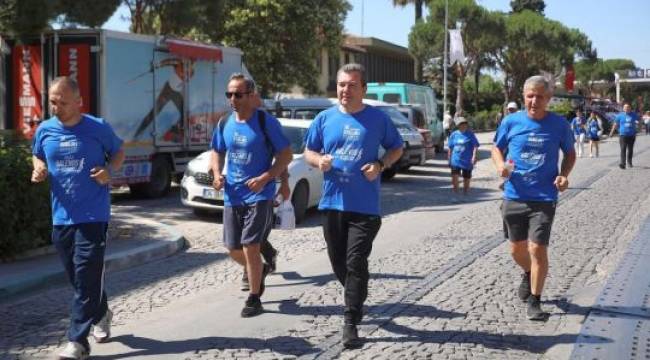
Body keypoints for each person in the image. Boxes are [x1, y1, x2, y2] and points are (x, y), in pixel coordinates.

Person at [304, 63, 403, 348]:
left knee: (355, 261)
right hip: (333, 204)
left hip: (365, 208)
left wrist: (381, 164)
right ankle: (357, 294)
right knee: (339, 265)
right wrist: (318, 161)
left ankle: (350, 321)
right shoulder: (324, 118)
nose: (345, 90)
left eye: (352, 85)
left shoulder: (377, 119)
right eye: (341, 84)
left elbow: (396, 147)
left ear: (364, 89)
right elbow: (309, 151)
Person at [32, 77, 125, 359]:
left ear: (78, 101)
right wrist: (38, 169)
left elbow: (119, 152)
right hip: (61, 217)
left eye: (62, 101)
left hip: (93, 216)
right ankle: (102, 312)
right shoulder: (45, 129)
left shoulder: (97, 127)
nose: (56, 106)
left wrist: (110, 171)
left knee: (85, 276)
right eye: (52, 101)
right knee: (78, 279)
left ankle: (77, 341)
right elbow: (37, 155)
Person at [492, 75, 576, 321]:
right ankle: (528, 272)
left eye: (540, 96)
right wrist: (499, 166)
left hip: (544, 197)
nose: (534, 100)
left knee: (537, 248)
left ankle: (535, 301)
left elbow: (570, 153)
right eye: (530, 95)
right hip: (514, 195)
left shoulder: (559, 124)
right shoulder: (511, 122)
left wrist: (563, 175)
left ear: (548, 98)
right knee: (516, 250)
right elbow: (497, 147)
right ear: (524, 97)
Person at [210, 73, 292, 317]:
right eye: (229, 94)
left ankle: (254, 298)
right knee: (232, 248)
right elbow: (216, 151)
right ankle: (260, 269)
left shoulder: (266, 123)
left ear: (251, 95)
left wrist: (267, 178)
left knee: (250, 245)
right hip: (232, 196)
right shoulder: (224, 123)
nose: (232, 99)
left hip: (259, 195)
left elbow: (285, 155)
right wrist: (216, 174)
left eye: (238, 94)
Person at [239, 92, 289, 292]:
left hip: (263, 190)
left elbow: (282, 157)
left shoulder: (266, 123)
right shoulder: (234, 122)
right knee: (246, 235)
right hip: (238, 192)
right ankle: (267, 259)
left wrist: (284, 183)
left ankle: (249, 273)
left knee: (254, 236)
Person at [447, 116, 480, 195]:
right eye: (461, 124)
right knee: (454, 176)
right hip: (455, 159)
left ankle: (465, 192)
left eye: (465, 123)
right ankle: (456, 193)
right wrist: (449, 158)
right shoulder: (454, 134)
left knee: (466, 177)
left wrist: (474, 156)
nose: (463, 125)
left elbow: (475, 146)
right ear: (458, 125)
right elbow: (450, 147)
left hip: (467, 159)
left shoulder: (470, 134)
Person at [609, 103, 640, 169]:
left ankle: (629, 162)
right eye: (625, 107)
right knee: (623, 149)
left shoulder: (633, 114)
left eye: (628, 107)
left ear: (630, 108)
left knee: (630, 149)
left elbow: (640, 120)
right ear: (623, 109)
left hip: (631, 135)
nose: (626, 108)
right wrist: (611, 132)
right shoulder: (620, 115)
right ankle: (623, 163)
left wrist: (638, 128)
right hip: (622, 135)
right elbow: (615, 124)